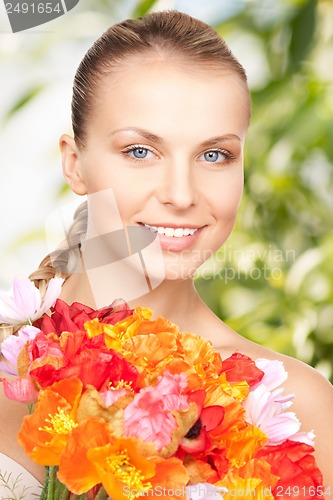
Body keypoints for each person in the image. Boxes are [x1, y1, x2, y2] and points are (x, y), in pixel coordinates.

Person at [1, 9, 333, 498]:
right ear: (74, 164)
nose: (181, 194)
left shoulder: (294, 402)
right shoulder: (13, 364)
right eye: (141, 151)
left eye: (214, 155)